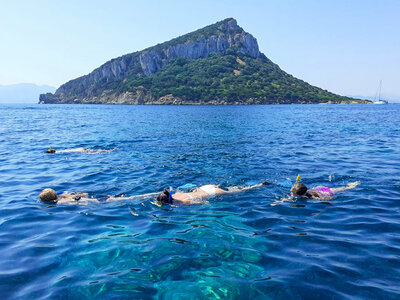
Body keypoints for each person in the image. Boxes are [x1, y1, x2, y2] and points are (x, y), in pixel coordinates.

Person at [156, 182, 269, 205]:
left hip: (212, 192)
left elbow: (202, 202)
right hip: (205, 186)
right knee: (233, 189)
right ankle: (252, 185)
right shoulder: (175, 195)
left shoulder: (183, 202)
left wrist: (206, 205)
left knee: (238, 192)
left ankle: (258, 185)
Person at [290, 181, 361, 201]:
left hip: (325, 191)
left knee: (345, 188)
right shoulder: (301, 193)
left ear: (298, 195)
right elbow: (289, 199)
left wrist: (326, 199)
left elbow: (323, 199)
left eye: (292, 193)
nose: (291, 193)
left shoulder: (310, 196)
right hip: (318, 188)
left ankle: (354, 184)